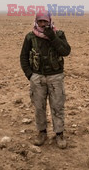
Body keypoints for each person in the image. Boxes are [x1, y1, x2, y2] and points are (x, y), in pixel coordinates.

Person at [20, 11, 71, 149]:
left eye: (45, 21)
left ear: (50, 21)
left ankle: (59, 134)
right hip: (37, 78)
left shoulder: (58, 34)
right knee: (39, 107)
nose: (43, 24)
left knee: (57, 106)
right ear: (36, 22)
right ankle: (42, 133)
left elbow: (66, 51)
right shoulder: (30, 37)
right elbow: (23, 57)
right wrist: (30, 75)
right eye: (40, 21)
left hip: (55, 77)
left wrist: (52, 37)